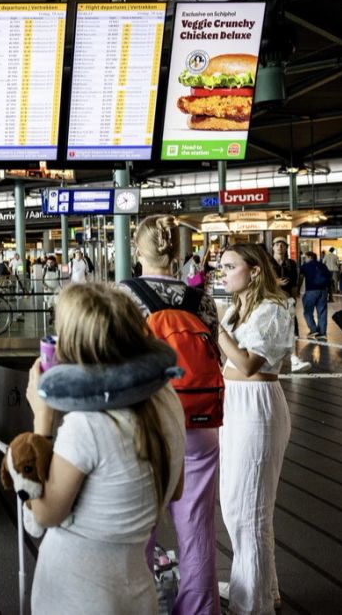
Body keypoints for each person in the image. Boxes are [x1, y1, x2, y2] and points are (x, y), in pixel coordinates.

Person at [24, 283, 185, 614]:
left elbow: (44, 514)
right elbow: (177, 488)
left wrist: (41, 420)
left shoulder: (87, 426)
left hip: (76, 592)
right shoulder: (168, 399)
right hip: (137, 587)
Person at [121, 214, 221, 615]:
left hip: (144, 423)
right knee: (197, 528)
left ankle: (140, 608)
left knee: (138, 532)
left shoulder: (124, 295)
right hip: (197, 422)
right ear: (176, 253)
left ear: (137, 249)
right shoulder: (203, 299)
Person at [215, 243, 294, 613]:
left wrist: (215, 331)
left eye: (230, 266)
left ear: (255, 271)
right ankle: (263, 589)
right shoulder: (237, 309)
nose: (223, 273)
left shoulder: (273, 309)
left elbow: (247, 364)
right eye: (221, 267)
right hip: (235, 407)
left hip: (256, 407)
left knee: (248, 510)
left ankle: (253, 604)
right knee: (239, 507)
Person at [272, 239, 310, 372]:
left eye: (282, 245)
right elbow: (260, 282)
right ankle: (269, 360)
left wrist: (294, 299)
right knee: (271, 329)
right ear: (273, 247)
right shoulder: (267, 263)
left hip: (287, 300)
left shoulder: (291, 264)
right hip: (271, 301)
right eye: (277, 244)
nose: (280, 247)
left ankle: (294, 360)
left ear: (286, 247)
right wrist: (275, 282)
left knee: (291, 328)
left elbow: (294, 284)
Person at [299, 251, 331, 340]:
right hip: (323, 291)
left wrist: (297, 290)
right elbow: (329, 279)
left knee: (308, 312)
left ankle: (313, 330)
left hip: (311, 291)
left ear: (309, 257)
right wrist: (330, 294)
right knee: (322, 312)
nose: (304, 259)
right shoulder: (322, 265)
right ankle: (322, 332)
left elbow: (301, 278)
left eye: (305, 257)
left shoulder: (305, 266)